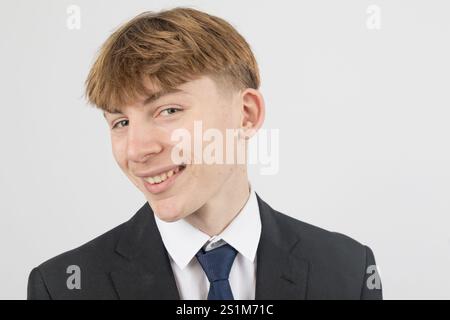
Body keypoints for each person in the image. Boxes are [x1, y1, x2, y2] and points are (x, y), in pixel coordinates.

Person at [27, 7, 382, 300]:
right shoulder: (62, 288)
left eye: (168, 111)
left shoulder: (348, 272)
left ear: (246, 114)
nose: (136, 150)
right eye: (120, 122)